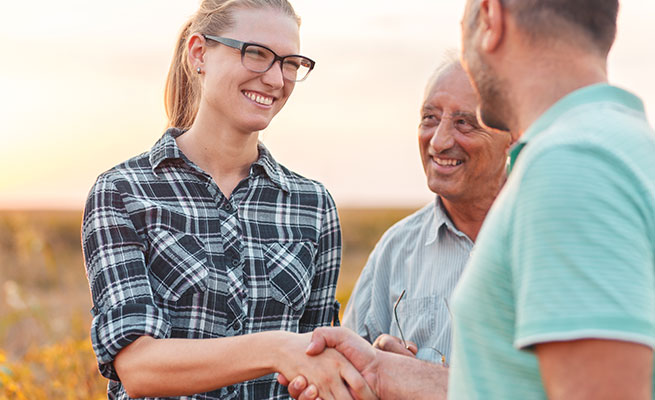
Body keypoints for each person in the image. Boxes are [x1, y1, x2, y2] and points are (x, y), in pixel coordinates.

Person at [284, 0, 655, 399]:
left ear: (491, 18)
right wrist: (380, 372)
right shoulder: (626, 146)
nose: (441, 140)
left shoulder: (569, 166)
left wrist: (397, 378)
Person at [81, 1, 376, 399]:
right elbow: (138, 366)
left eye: (290, 63)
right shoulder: (123, 192)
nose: (275, 78)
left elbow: (315, 361)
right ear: (199, 53)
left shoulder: (313, 206)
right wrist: (276, 349)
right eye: (256, 53)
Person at [341, 58, 510, 366]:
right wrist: (375, 373)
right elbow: (344, 374)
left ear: (513, 138)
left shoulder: (556, 243)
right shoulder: (395, 248)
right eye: (430, 118)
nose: (439, 141)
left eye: (465, 123)